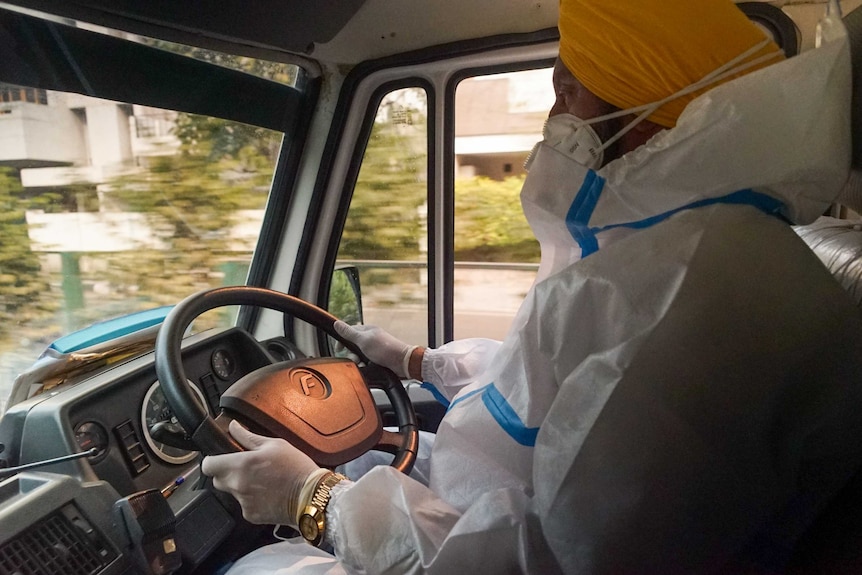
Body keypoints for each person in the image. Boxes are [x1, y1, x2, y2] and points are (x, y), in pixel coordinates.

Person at [201, 0, 862, 572]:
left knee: (258, 564)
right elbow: (555, 390)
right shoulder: (696, 250)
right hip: (480, 498)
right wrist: (417, 361)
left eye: (569, 91)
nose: (554, 119)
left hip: (478, 538)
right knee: (371, 466)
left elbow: (553, 560)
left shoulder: (673, 298)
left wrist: (315, 503)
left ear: (644, 113)